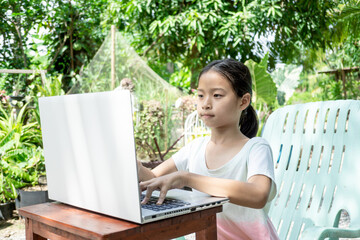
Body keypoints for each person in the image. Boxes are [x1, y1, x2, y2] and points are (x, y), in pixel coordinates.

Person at [137, 58, 279, 239]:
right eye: (201, 95)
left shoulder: (255, 148)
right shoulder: (195, 148)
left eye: (217, 95)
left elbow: (258, 194)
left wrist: (187, 178)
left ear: (243, 102)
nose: (205, 104)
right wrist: (138, 168)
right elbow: (154, 180)